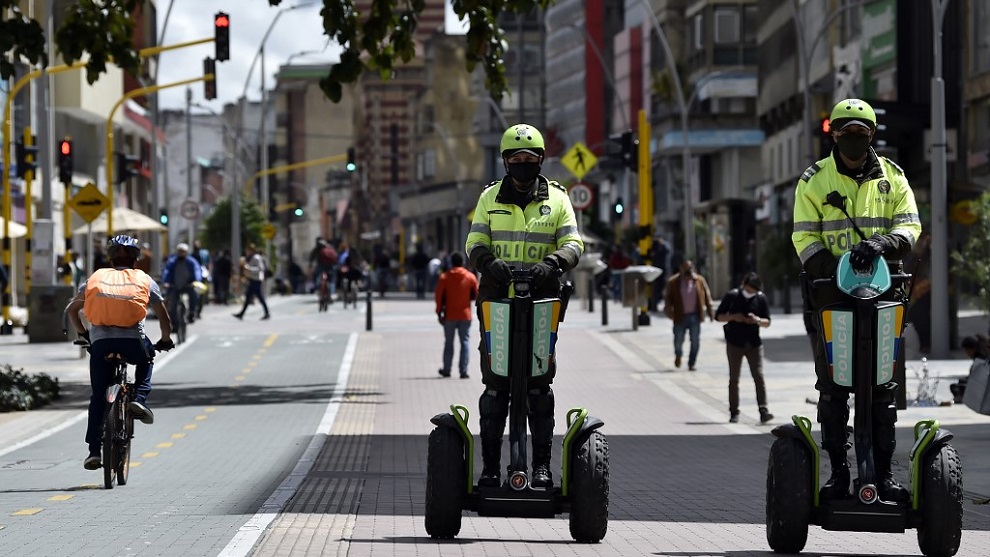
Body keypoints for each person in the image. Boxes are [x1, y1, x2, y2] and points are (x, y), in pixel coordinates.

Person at [792, 98, 921, 503]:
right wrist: (837, 268)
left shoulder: (893, 178)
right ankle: (838, 472)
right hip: (832, 298)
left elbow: (910, 225)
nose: (852, 141)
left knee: (883, 389)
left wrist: (883, 243)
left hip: (884, 298)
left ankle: (883, 475)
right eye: (844, 134)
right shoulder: (814, 180)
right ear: (832, 134)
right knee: (833, 390)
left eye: (860, 135)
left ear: (871, 137)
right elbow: (804, 237)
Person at [465, 123, 584, 489]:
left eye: (529, 159)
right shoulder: (489, 198)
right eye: (515, 158)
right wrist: (490, 264)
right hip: (498, 299)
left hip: (542, 299)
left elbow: (574, 243)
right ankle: (489, 470)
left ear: (541, 161)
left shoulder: (559, 199)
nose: (522, 164)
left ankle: (542, 467)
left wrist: (552, 264)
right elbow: (474, 242)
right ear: (504, 162)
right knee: (496, 385)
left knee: (538, 386)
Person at [64, 235, 173, 470]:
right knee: (147, 359)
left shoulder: (95, 278)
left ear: (110, 258)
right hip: (132, 341)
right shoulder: (143, 279)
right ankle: (139, 399)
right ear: (135, 259)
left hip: (101, 343)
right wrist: (165, 339)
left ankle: (94, 451)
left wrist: (84, 334)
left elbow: (72, 310)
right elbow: (164, 316)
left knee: (97, 397)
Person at [714, 272, 773, 424]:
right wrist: (735, 317)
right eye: (750, 288)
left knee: (758, 376)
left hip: (754, 343)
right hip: (735, 343)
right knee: (734, 378)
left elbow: (767, 322)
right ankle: (734, 411)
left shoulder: (760, 298)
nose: (752, 292)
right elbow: (718, 316)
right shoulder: (732, 296)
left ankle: (763, 409)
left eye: (755, 289)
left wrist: (757, 320)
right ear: (744, 284)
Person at [663, 259, 715, 371]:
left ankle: (692, 362)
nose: (688, 271)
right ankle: (678, 355)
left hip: (695, 316)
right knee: (678, 340)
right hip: (679, 316)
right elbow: (668, 298)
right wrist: (668, 310)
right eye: (686, 268)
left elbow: (707, 295)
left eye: (690, 268)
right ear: (681, 269)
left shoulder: (699, 280)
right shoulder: (673, 282)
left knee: (695, 341)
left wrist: (710, 311)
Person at [435, 252, 479, 379]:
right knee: (465, 341)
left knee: (449, 343)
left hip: (449, 315)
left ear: (451, 263)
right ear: (463, 263)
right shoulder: (470, 277)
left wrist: (439, 312)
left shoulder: (444, 277)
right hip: (465, 315)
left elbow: (439, 296)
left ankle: (447, 369)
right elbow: (476, 295)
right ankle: (463, 370)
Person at [161, 242, 203, 324]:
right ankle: (173, 322)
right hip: (174, 286)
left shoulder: (191, 262)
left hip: (188, 286)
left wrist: (196, 281)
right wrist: (165, 282)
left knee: (194, 295)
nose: (181, 253)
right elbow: (167, 271)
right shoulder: (172, 261)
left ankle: (191, 313)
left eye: (183, 251)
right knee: (172, 303)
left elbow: (197, 270)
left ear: (186, 252)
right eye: (180, 251)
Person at [233, 243, 271, 320]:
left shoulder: (256, 258)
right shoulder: (251, 258)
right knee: (253, 297)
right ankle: (242, 314)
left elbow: (260, 269)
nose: (246, 252)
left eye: (248, 250)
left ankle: (242, 314)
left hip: (256, 280)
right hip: (253, 279)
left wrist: (249, 268)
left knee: (254, 297)